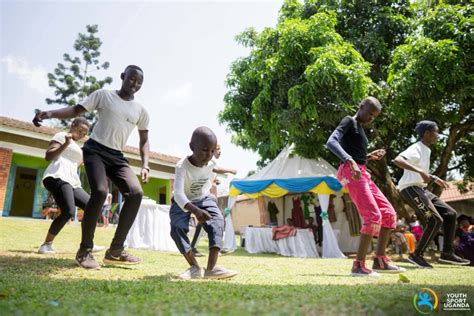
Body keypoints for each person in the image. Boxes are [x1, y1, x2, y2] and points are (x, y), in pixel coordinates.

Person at [33, 65, 150, 269]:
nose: (135, 84)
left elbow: (144, 141)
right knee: (100, 191)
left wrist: (146, 164)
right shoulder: (104, 95)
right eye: (132, 79)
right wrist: (49, 113)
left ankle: (115, 250)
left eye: (139, 82)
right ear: (122, 77)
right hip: (95, 150)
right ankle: (84, 251)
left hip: (117, 156)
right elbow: (75, 110)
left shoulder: (141, 110)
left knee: (136, 193)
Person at [326, 96, 405, 276]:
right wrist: (350, 160)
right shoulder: (349, 121)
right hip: (350, 171)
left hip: (361, 170)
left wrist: (368, 156)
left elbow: (354, 152)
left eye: (374, 116)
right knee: (372, 215)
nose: (371, 118)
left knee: (389, 214)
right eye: (369, 113)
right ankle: (358, 266)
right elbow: (331, 142)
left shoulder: (360, 129)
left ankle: (380, 260)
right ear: (360, 106)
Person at [393, 120, 470, 267]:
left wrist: (433, 178)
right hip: (410, 189)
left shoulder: (426, 150)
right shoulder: (416, 147)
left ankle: (447, 253)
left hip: (420, 189)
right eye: (436, 131)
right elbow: (398, 160)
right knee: (435, 219)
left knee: (450, 214)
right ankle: (416, 255)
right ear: (427, 133)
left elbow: (419, 171)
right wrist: (421, 172)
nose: (438, 135)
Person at [170, 127, 237, 280]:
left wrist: (229, 171)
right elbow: (179, 194)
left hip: (204, 198)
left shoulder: (211, 162)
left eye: (212, 151)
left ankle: (211, 269)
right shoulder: (182, 166)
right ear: (192, 147)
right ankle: (194, 267)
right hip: (183, 201)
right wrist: (195, 211)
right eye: (205, 150)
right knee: (176, 228)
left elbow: (216, 167)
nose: (209, 155)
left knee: (218, 220)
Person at [38, 118, 103, 254]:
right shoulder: (62, 136)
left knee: (92, 207)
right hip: (57, 176)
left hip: (72, 181)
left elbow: (74, 165)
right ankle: (46, 244)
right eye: (79, 130)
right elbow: (49, 156)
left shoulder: (79, 147)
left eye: (84, 133)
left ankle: (88, 243)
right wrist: (66, 143)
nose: (81, 134)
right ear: (72, 125)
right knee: (68, 211)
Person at [190, 144, 236, 257]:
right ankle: (215, 248)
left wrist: (215, 181)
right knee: (215, 219)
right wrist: (231, 170)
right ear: (211, 150)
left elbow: (208, 175)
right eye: (217, 149)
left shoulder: (211, 162)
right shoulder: (211, 162)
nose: (219, 152)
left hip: (203, 195)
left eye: (220, 149)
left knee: (203, 222)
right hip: (200, 196)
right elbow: (215, 169)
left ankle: (194, 247)